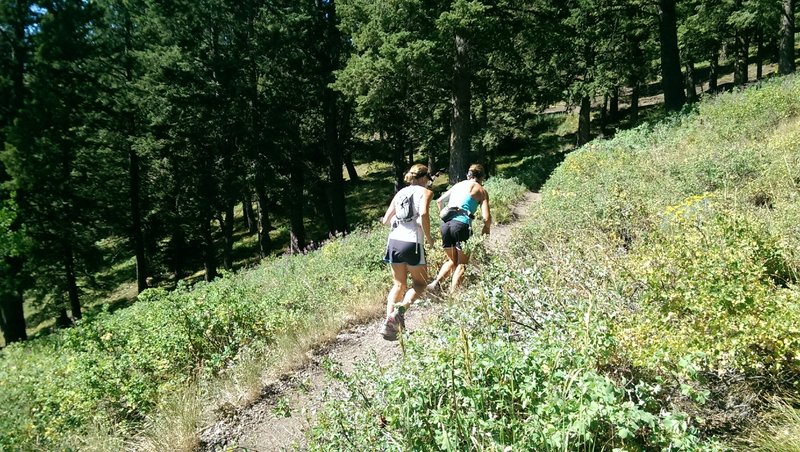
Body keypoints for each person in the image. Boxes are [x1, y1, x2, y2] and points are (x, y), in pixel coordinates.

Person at [379, 164, 435, 341]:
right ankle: (400, 310)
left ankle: (390, 324)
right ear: (424, 178)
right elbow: (424, 214)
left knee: (398, 284)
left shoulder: (400, 193)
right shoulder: (425, 192)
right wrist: (429, 237)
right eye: (429, 178)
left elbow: (386, 220)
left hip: (394, 241)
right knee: (420, 283)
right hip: (412, 242)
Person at [427, 164, 491, 295]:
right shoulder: (481, 190)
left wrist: (444, 217)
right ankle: (453, 295)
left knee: (452, 260)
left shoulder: (458, 185)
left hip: (446, 224)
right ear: (482, 177)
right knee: (462, 264)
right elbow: (486, 218)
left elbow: (439, 201)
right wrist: (486, 228)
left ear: (468, 175)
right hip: (462, 225)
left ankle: (435, 284)